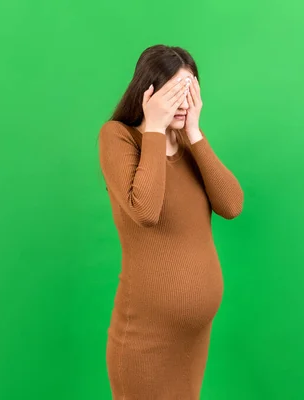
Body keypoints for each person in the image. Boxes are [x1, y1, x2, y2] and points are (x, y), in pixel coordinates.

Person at [98, 44, 244, 399]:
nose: (183, 102)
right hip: (145, 340)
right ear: (147, 93)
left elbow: (231, 204)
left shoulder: (190, 145)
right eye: (174, 93)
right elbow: (146, 210)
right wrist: (154, 129)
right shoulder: (119, 137)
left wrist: (194, 133)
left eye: (191, 91)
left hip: (192, 340)